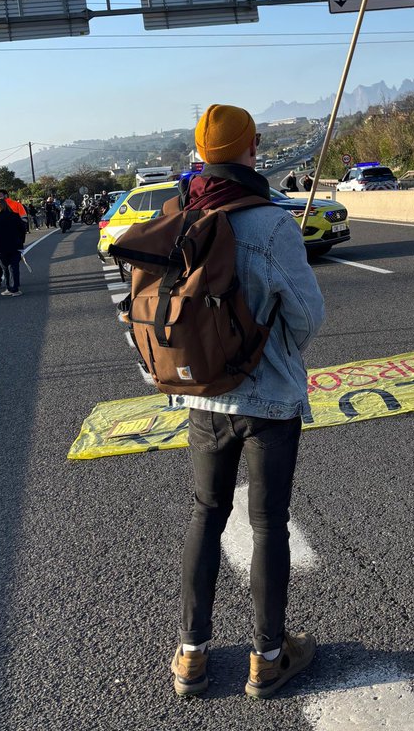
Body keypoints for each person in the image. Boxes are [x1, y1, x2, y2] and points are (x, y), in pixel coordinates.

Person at [169, 104, 325, 699]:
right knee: (267, 525)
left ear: (200, 154)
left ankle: (191, 656)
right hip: (270, 400)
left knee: (205, 515)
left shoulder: (183, 216)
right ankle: (267, 657)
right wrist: (275, 350)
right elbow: (308, 314)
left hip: (204, 394)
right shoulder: (271, 223)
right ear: (252, 147)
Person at [0, 196, 26, 296]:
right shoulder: (15, 216)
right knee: (14, 267)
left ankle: (8, 288)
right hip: (15, 245)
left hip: (0, 247)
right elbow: (23, 229)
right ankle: (15, 289)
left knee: (5, 268)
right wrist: (21, 242)